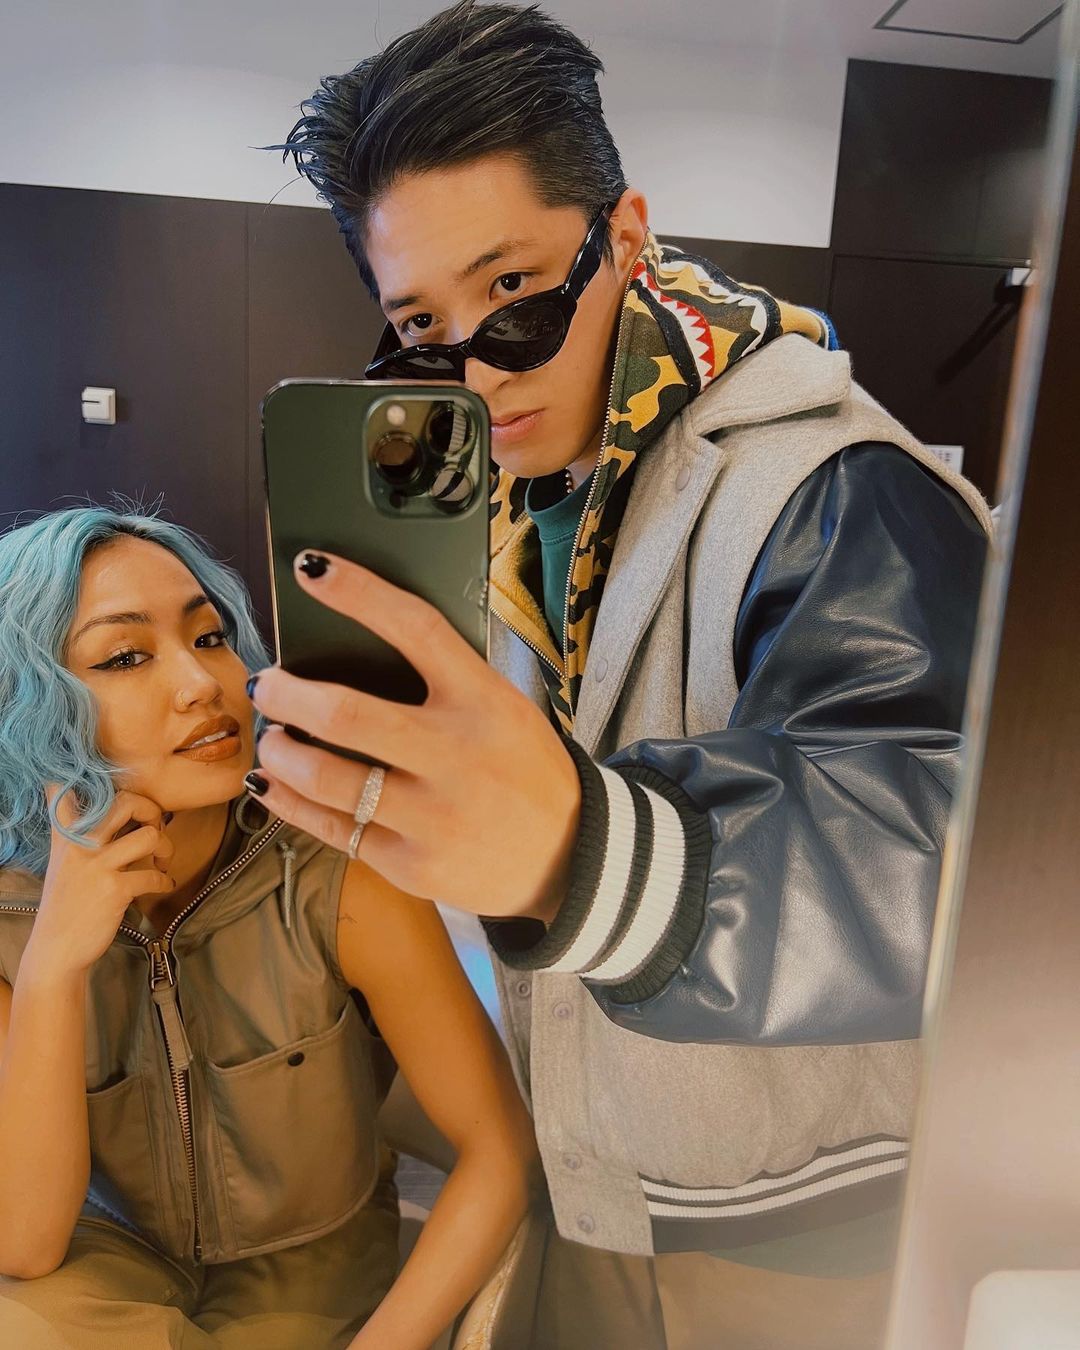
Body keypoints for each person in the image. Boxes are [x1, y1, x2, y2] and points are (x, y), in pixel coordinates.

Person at [251, 4, 992, 1345]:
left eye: (516, 294)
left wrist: (584, 854)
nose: (479, 370)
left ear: (629, 237)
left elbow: (942, 857)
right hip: (585, 1174)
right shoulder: (513, 508)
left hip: (787, 1224)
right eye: (421, 325)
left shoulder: (835, 486)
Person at [0, 504, 537, 1350]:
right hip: (104, 1270)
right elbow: (26, 1245)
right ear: (28, 706)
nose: (202, 683)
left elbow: (499, 1153)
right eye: (126, 656)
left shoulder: (332, 869)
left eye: (210, 637)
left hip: (309, 1281)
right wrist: (54, 967)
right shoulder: (10, 915)